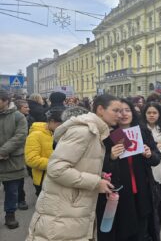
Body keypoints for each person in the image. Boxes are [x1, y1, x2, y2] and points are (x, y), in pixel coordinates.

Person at [26, 94, 121, 241]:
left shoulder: (96, 132)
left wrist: (99, 175)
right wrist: (96, 182)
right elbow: (57, 168)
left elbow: (77, 164)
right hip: (62, 211)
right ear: (101, 109)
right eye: (116, 110)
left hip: (72, 208)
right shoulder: (84, 131)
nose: (120, 115)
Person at [96, 99, 161, 241]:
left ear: (133, 112)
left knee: (142, 229)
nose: (124, 114)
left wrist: (150, 154)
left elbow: (156, 159)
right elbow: (98, 166)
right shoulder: (107, 136)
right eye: (119, 111)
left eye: (127, 110)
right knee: (123, 231)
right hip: (120, 193)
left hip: (143, 191)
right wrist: (111, 157)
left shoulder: (143, 132)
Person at [0, 90, 28, 229]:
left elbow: (20, 136)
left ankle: (10, 215)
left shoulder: (18, 116)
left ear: (5, 101)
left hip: (11, 160)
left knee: (11, 191)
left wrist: (3, 151)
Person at [24, 109, 64, 196]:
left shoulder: (58, 133)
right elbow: (31, 159)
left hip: (59, 177)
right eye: (59, 125)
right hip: (44, 179)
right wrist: (56, 164)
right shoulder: (35, 135)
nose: (62, 127)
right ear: (51, 121)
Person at [14, 99, 31, 210]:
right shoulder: (16, 119)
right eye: (25, 107)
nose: (28, 109)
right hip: (16, 151)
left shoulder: (29, 118)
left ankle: (21, 199)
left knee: (19, 177)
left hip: (24, 150)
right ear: (19, 109)